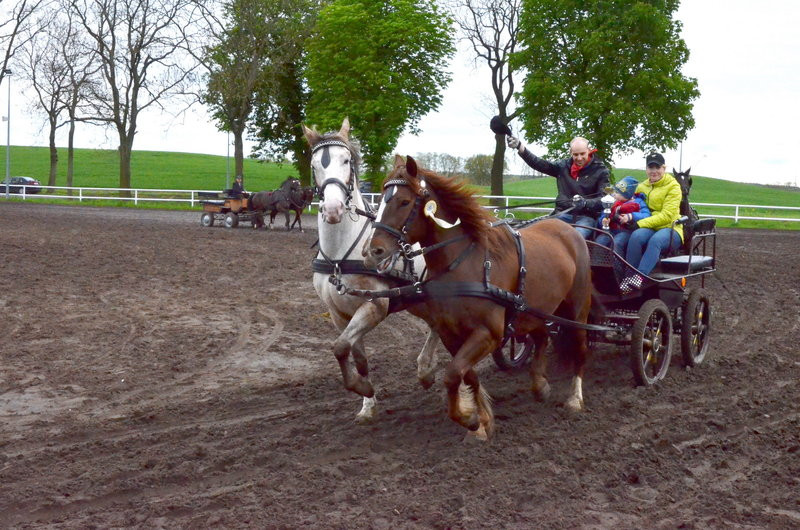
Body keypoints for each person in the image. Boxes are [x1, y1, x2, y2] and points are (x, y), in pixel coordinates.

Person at [506, 134, 610, 239]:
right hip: (562, 214)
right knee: (531, 234)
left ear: (589, 150)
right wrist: (520, 147)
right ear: (570, 153)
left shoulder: (601, 170)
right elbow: (540, 164)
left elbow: (604, 199)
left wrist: (585, 203)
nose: (579, 158)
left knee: (574, 239)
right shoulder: (563, 166)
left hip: (586, 218)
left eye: (582, 154)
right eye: (575, 154)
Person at [621, 152, 684, 289]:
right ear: (646, 169)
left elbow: (667, 215)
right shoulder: (641, 186)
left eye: (657, 167)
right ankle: (628, 278)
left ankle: (639, 277)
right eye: (650, 167)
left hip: (670, 228)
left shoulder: (673, 186)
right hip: (649, 227)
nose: (654, 171)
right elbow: (629, 201)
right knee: (636, 236)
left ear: (664, 168)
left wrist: (639, 223)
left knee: (656, 240)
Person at [595, 176, 650, 255]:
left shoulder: (638, 202)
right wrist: (603, 221)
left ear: (627, 195)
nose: (614, 194)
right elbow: (604, 214)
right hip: (611, 230)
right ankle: (597, 264)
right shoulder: (613, 202)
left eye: (618, 193)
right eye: (615, 191)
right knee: (600, 241)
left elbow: (646, 215)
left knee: (617, 243)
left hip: (627, 231)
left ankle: (618, 266)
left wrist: (631, 216)